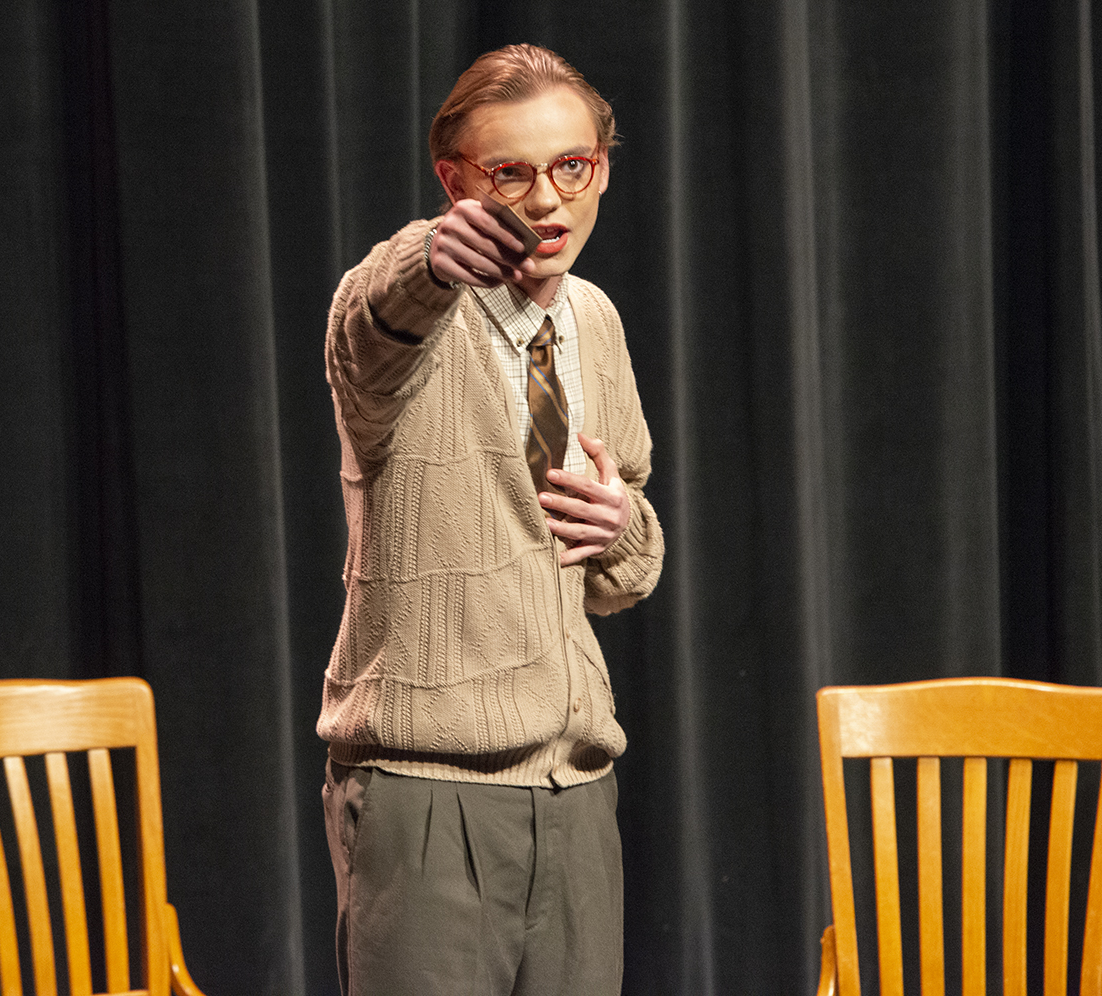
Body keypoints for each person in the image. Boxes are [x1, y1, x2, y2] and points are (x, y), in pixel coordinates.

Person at [319, 43, 664, 996]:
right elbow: (367, 325)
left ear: (600, 167)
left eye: (571, 168)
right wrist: (426, 259)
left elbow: (624, 569)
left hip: (576, 790)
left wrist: (620, 528)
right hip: (429, 793)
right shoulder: (423, 317)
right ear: (456, 181)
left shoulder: (592, 322)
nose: (547, 202)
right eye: (510, 173)